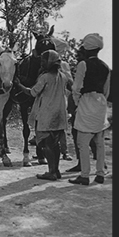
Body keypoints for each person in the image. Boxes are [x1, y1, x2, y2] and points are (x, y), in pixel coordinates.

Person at [14, 50, 73, 180]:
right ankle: (55, 170)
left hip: (47, 114)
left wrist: (19, 85)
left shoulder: (45, 77)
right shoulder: (63, 76)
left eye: (43, 61)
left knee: (46, 144)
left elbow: (33, 93)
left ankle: (51, 172)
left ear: (49, 62)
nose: (41, 63)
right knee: (55, 144)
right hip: (60, 114)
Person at [68, 33, 111, 185]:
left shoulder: (83, 64)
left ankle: (85, 175)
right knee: (99, 141)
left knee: (83, 141)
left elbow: (76, 87)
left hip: (86, 102)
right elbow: (106, 90)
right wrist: (101, 100)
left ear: (87, 48)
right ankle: (100, 173)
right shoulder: (105, 67)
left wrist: (78, 102)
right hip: (100, 103)